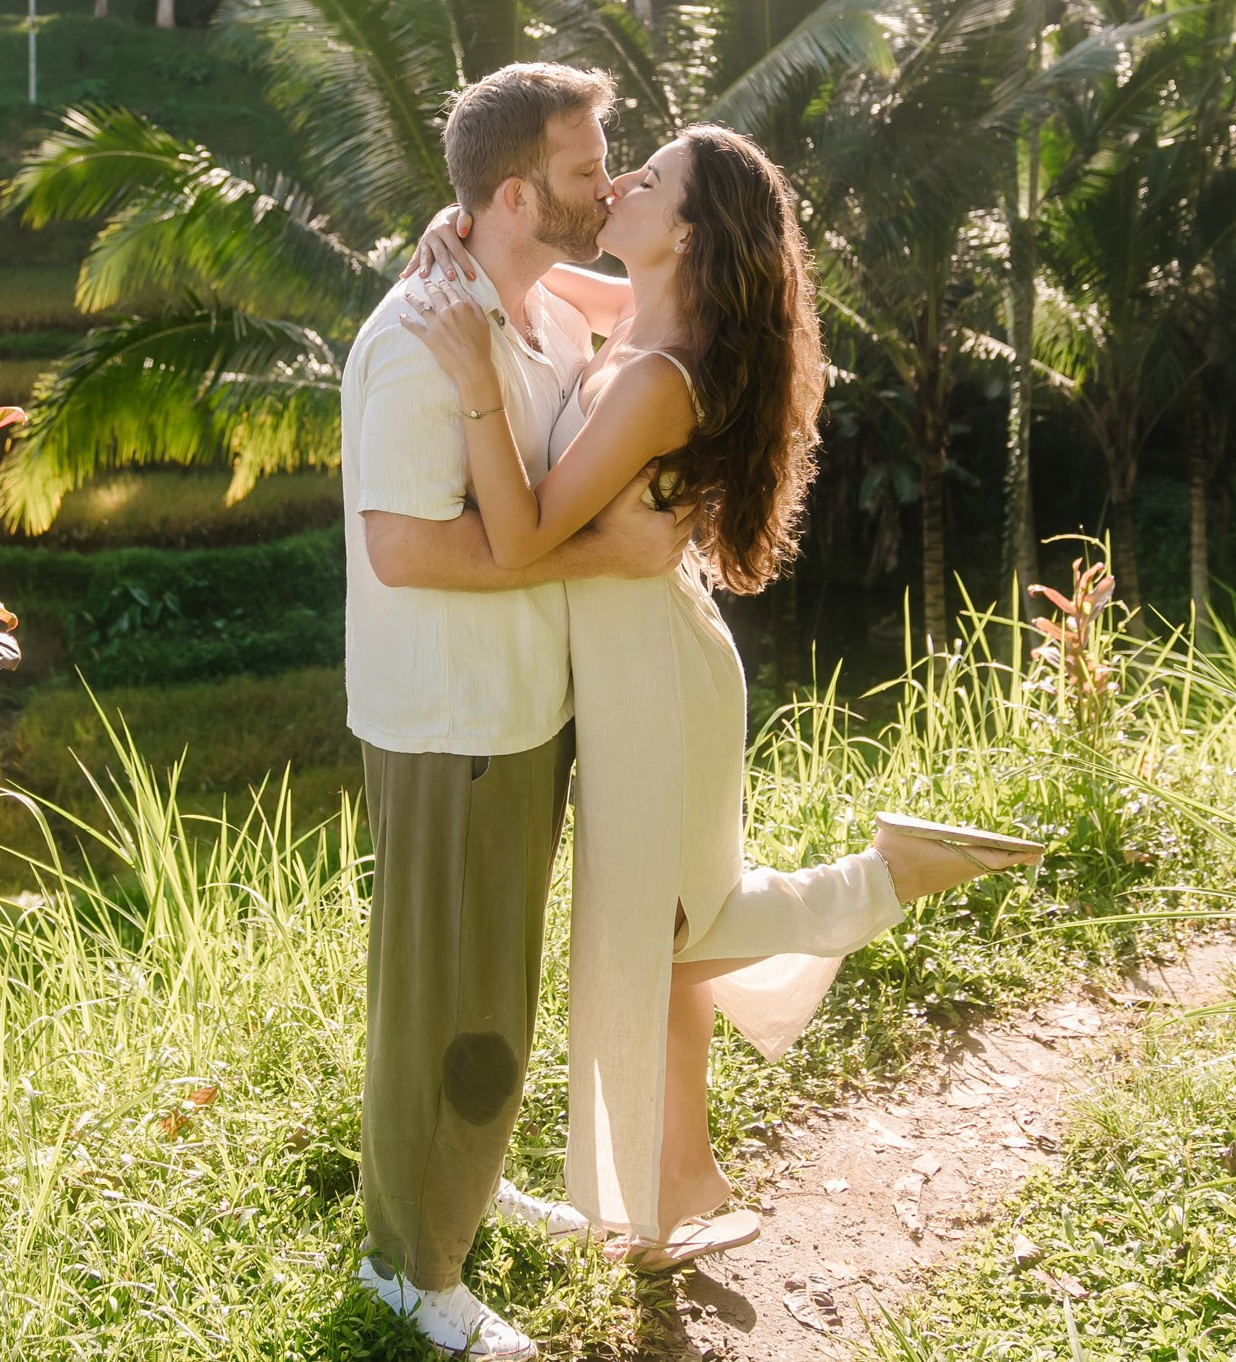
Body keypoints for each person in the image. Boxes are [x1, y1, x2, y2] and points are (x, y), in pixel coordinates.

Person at [399, 124, 1043, 1271]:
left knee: (671, 930)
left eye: (645, 178)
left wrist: (469, 385)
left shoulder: (654, 377)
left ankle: (883, 872)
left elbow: (525, 529)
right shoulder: (643, 316)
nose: (621, 182)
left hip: (657, 676)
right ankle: (669, 1197)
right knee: (667, 924)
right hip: (649, 658)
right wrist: (457, 229)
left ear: (685, 228)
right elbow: (528, 268)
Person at [341, 62, 690, 1360]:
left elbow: (631, 299)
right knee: (447, 992)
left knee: (495, 983)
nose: (608, 180)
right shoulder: (419, 343)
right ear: (511, 190)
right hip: (452, 722)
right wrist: (599, 554)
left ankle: (460, 1197)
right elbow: (406, 549)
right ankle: (408, 1264)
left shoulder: (525, 304)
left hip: (519, 712)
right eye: (586, 164)